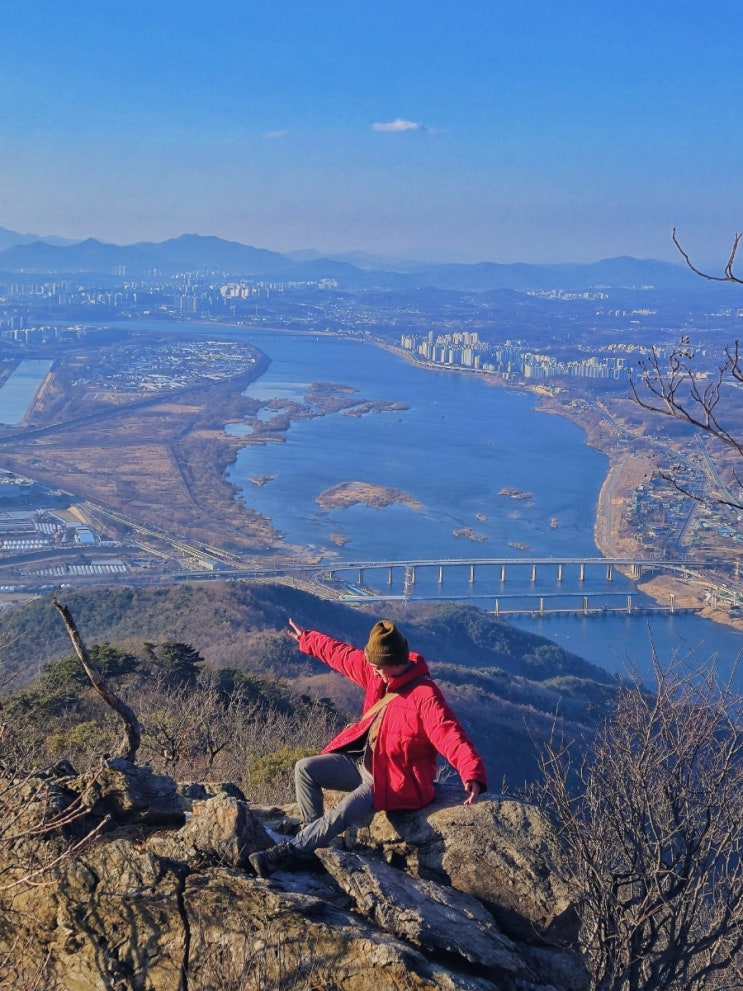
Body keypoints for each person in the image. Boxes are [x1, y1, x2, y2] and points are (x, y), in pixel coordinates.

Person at [249, 617, 487, 877]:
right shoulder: (378, 675)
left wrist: (472, 773)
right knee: (305, 769)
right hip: (363, 761)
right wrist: (308, 639)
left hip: (394, 778)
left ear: (392, 662)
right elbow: (341, 655)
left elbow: (449, 733)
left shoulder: (425, 696)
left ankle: (289, 852)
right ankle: (312, 844)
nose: (372, 671)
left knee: (342, 811)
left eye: (377, 667)